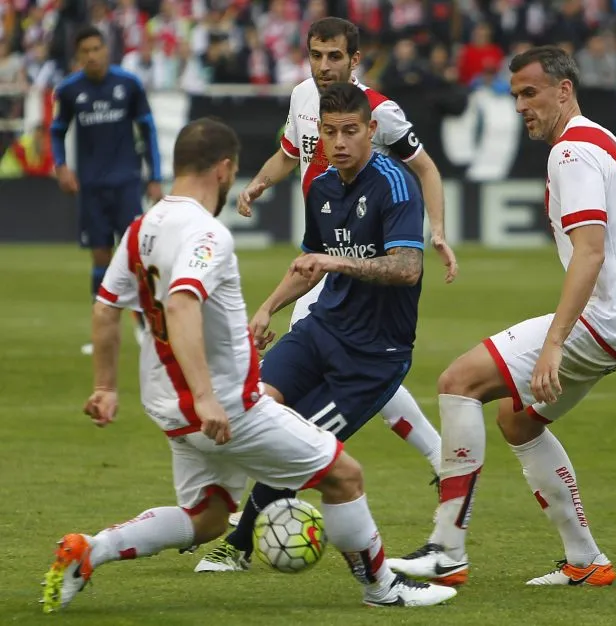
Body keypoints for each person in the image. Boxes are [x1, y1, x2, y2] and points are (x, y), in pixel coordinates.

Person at [40, 117, 457, 613]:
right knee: (344, 475)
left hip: (172, 412)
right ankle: (382, 589)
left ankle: (91, 550)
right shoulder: (206, 235)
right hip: (226, 409)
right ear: (224, 169)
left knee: (209, 518)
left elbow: (106, 307)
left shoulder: (141, 229)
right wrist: (208, 395)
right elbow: (181, 304)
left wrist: (106, 386)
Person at [387, 46, 616, 587]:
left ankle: (447, 550)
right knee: (518, 419)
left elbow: (590, 251)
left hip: (601, 318)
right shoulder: (599, 138)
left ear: (564, 89)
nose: (520, 106)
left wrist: (555, 342)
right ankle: (587, 561)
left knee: (458, 382)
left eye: (530, 93)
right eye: (514, 96)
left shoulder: (572, 154)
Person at [196, 82, 434, 573]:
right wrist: (266, 309)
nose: (340, 142)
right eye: (330, 132)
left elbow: (407, 267)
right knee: (253, 406)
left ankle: (239, 544)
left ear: (371, 130)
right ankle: (206, 518)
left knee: (301, 444)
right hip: (323, 328)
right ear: (318, 134)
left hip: (373, 355)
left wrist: (339, 263)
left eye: (351, 131)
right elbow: (310, 263)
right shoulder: (322, 186)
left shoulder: (394, 184)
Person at [239, 16, 448, 491]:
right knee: (346, 370)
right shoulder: (300, 99)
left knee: (332, 369)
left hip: (361, 253)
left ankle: (261, 496)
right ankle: (437, 454)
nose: (324, 66)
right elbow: (289, 154)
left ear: (355, 60)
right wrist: (257, 184)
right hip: (323, 246)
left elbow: (426, 168)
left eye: (335, 56)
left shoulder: (379, 110)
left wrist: (437, 231)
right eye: (316, 55)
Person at [50, 25, 163, 356]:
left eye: (97, 48)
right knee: (100, 258)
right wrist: (61, 166)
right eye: (85, 51)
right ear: (78, 55)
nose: (92, 55)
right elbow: (57, 131)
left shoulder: (127, 84)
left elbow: (149, 130)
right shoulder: (70, 91)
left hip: (126, 183)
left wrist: (154, 175)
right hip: (91, 187)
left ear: (106, 50)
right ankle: (102, 332)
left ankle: (145, 327)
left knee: (137, 259)